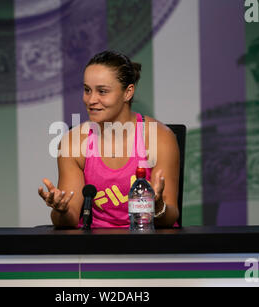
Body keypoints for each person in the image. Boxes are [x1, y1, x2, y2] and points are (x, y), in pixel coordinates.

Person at [38, 50, 180, 228]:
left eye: (102, 91)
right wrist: (61, 210)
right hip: (97, 250)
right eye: (87, 90)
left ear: (128, 92)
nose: (91, 100)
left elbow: (169, 217)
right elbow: (69, 220)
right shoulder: (73, 142)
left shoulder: (160, 137)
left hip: (148, 247)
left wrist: (158, 207)